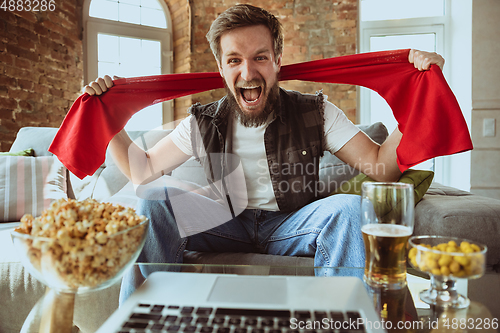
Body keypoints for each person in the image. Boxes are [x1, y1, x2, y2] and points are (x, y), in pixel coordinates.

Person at [84, 4, 444, 301]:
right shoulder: (202, 122)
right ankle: (145, 319)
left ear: (277, 60)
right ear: (222, 67)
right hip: (223, 222)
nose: (248, 71)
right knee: (154, 198)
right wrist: (107, 117)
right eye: (234, 60)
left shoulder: (317, 113)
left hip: (293, 223)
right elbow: (143, 172)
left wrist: (418, 98)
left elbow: (382, 167)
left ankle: (344, 322)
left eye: (259, 57)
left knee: (349, 209)